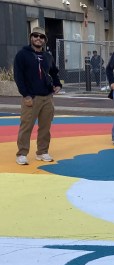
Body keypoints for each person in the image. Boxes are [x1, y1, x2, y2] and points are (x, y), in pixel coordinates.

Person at [13, 27, 62, 166]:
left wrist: (57, 84)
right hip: (31, 97)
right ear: (31, 37)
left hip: (47, 97)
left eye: (41, 36)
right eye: (35, 35)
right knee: (26, 126)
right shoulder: (22, 55)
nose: (38, 38)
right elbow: (18, 76)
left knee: (45, 127)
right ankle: (22, 153)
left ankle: (42, 152)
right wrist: (26, 95)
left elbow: (53, 72)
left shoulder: (47, 56)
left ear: (44, 40)